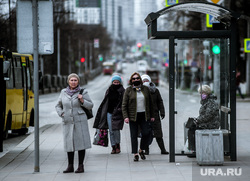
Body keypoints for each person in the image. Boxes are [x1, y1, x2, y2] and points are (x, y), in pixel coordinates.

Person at [55, 73, 93, 173]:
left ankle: (81, 166)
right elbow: (58, 105)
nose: (73, 82)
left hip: (80, 121)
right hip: (67, 121)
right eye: (71, 80)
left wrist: (82, 100)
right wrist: (62, 113)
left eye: (75, 80)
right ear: (68, 81)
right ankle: (70, 166)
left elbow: (90, 105)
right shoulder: (63, 92)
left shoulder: (83, 92)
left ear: (78, 81)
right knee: (69, 144)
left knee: (81, 144)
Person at [122, 72, 155, 161]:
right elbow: (124, 105)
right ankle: (135, 153)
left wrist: (152, 115)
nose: (136, 80)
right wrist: (125, 116)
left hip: (144, 115)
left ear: (140, 79)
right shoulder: (128, 90)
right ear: (131, 81)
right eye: (134, 79)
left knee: (146, 133)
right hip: (133, 116)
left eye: (137, 78)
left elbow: (150, 103)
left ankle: (141, 149)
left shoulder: (145, 89)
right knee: (134, 135)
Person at [93, 75, 125, 154]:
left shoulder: (122, 91)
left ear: (120, 82)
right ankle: (113, 146)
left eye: (117, 82)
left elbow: (124, 102)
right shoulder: (109, 90)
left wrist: (120, 110)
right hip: (109, 113)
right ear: (112, 82)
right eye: (114, 82)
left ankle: (118, 145)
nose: (116, 83)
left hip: (118, 113)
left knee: (116, 130)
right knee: (111, 131)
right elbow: (105, 101)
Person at [141, 74, 169, 155]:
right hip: (144, 115)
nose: (145, 82)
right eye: (144, 80)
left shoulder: (155, 90)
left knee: (158, 133)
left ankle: (163, 149)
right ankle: (146, 150)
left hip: (155, 115)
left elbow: (160, 101)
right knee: (146, 133)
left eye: (147, 80)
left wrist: (162, 112)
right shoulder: (140, 90)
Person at [188, 85, 220, 151]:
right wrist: (196, 119)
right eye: (200, 93)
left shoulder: (211, 102)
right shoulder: (206, 101)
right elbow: (204, 115)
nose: (201, 95)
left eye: (203, 93)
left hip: (211, 124)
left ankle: (194, 149)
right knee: (190, 126)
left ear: (207, 93)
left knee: (192, 130)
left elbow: (208, 115)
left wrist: (198, 120)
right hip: (208, 122)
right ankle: (193, 148)